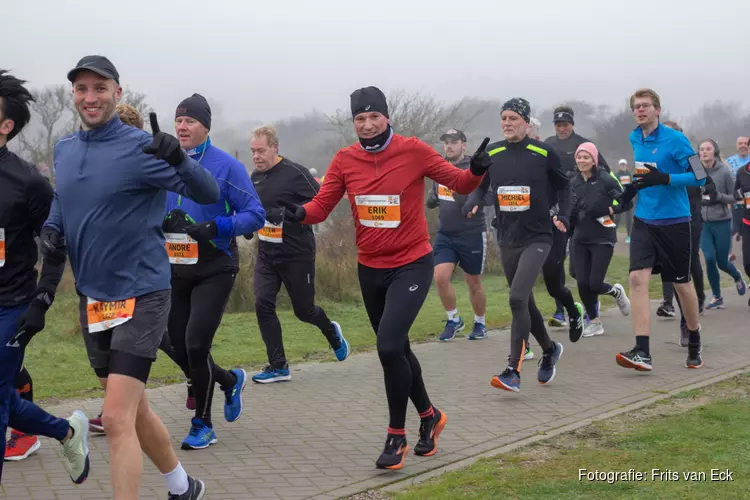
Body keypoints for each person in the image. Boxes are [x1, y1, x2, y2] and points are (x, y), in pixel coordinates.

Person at [39, 55, 218, 499]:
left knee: (116, 418)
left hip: (143, 294)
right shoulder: (65, 149)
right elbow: (65, 197)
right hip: (93, 298)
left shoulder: (143, 147)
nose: (90, 97)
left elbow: (208, 193)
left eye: (100, 88)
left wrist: (179, 158)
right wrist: (52, 226)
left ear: (118, 93)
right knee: (132, 410)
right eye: (82, 89)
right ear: (74, 96)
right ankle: (183, 486)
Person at [283, 86, 488, 470]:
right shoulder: (345, 159)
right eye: (359, 118)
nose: (367, 124)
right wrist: (297, 213)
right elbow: (321, 206)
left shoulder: (414, 151)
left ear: (386, 116)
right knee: (398, 349)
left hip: (411, 263)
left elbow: (459, 184)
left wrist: (475, 168)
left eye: (373, 116)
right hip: (370, 267)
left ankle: (397, 436)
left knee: (389, 347)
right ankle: (430, 416)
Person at [0, 69, 90, 482]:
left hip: (11, 306)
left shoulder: (28, 183)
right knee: (4, 397)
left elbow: (56, 246)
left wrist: (43, 299)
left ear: (6, 126)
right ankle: (67, 432)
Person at [163, 93, 265, 449]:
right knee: (174, 343)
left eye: (189, 121)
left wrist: (216, 227)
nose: (182, 126)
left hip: (215, 265)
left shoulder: (225, 166)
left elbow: (256, 214)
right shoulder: (164, 162)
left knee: (195, 343)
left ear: (205, 127)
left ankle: (203, 424)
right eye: (178, 120)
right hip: (174, 267)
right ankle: (228, 380)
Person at [88, 102, 187, 436]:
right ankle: (117, 411)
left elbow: (196, 188)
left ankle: (214, 378)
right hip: (105, 285)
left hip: (144, 280)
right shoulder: (94, 163)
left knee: (172, 345)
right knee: (131, 359)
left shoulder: (147, 160)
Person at [467, 97, 568, 393]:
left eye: (514, 118)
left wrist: (563, 214)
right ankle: (549, 349)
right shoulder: (493, 151)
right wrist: (473, 202)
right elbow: (483, 186)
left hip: (538, 236)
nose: (508, 123)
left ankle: (513, 369)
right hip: (507, 236)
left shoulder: (543, 151)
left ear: (526, 122)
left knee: (516, 298)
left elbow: (564, 185)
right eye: (504, 118)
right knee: (525, 302)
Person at [249, 125, 349, 383]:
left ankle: (331, 332)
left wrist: (289, 213)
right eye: (253, 151)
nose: (256, 156)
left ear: (275, 148)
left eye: (261, 150)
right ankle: (278, 365)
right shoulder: (254, 178)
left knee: (304, 311)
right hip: (267, 253)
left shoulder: (295, 172)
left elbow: (322, 202)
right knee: (262, 304)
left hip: (297, 253)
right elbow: (251, 209)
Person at [615, 88, 705, 373]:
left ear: (657, 110)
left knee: (681, 283)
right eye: (636, 107)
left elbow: (699, 176)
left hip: (675, 221)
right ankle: (642, 351)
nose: (640, 110)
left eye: (645, 106)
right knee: (637, 279)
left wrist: (666, 178)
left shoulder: (676, 140)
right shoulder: (634, 137)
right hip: (644, 220)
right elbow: (644, 174)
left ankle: (694, 338)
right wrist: (628, 192)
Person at [426, 128, 493, 341]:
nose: (449, 146)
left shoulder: (475, 166)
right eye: (446, 142)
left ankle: (480, 323)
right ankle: (453, 320)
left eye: (454, 142)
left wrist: (469, 200)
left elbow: (489, 195)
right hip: (446, 233)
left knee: (473, 282)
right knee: (440, 277)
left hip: (471, 232)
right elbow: (434, 195)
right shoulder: (440, 167)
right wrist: (432, 197)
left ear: (464, 144)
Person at [544, 105, 606, 328]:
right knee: (556, 263)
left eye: (565, 124)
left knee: (579, 268)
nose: (562, 128)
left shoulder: (583, 143)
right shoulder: (548, 144)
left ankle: (592, 306)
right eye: (558, 125)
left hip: (581, 212)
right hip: (558, 211)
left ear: (572, 125)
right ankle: (561, 310)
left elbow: (602, 171)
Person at [569, 142, 631, 338]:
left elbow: (625, 202)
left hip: (602, 237)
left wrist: (610, 210)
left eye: (586, 157)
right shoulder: (574, 182)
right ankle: (595, 322)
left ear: (594, 160)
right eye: (579, 157)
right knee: (581, 283)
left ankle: (616, 292)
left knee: (595, 283)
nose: (582, 161)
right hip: (579, 237)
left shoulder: (605, 179)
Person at [697, 139, 746, 309]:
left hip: (722, 221)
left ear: (714, 151)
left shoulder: (724, 171)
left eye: (708, 149)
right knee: (709, 258)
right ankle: (717, 296)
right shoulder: (696, 171)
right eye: (701, 149)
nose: (704, 152)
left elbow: (735, 197)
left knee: (722, 262)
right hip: (703, 222)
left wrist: (718, 196)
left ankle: (737, 275)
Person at [727, 136, 750, 257]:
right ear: (736, 146)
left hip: (748, 203)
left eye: (745, 143)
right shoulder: (729, 161)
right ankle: (729, 253)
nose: (742, 146)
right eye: (740, 143)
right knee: (731, 228)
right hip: (736, 202)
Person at [614, 158, 634, 243]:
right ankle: (613, 236)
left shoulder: (629, 175)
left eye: (624, 165)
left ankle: (629, 236)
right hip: (619, 199)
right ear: (619, 166)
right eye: (621, 165)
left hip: (628, 199)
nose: (623, 166)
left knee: (629, 218)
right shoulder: (616, 175)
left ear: (626, 166)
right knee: (617, 218)